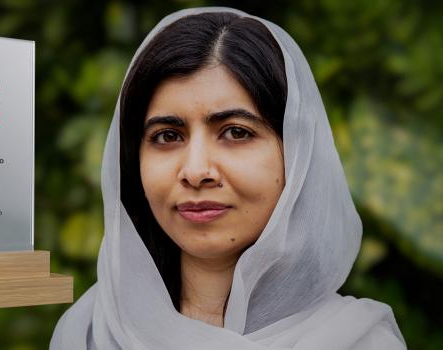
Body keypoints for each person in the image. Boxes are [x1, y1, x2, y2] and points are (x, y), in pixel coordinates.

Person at [50, 7, 406, 349]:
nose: (195, 171)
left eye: (236, 132)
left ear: (296, 156)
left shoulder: (356, 342)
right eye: (167, 136)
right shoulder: (89, 334)